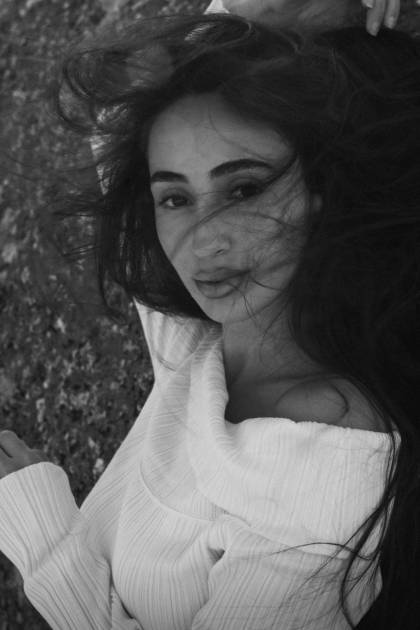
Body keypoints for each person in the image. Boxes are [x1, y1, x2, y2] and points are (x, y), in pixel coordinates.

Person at [0, 0, 418, 628]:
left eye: (244, 188)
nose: (204, 241)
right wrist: (282, 13)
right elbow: (129, 109)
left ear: (321, 192)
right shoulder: (201, 341)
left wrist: (45, 540)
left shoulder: (325, 459)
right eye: (175, 197)